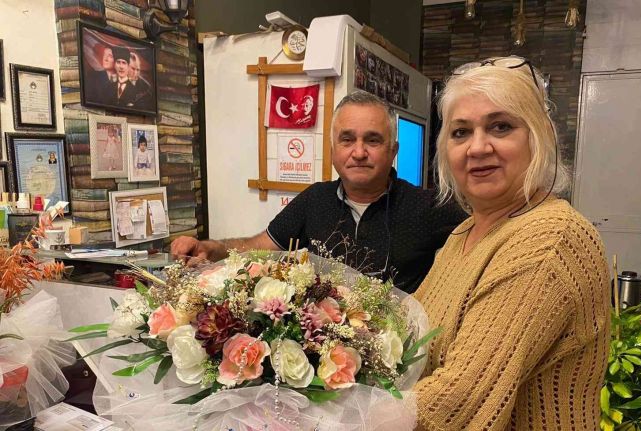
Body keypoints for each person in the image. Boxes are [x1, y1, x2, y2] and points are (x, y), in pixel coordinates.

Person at [412, 57, 610, 430]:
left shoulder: (550, 237)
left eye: (500, 126)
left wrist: (341, 416)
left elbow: (457, 402)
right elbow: (411, 336)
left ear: (538, 136)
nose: (477, 147)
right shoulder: (464, 233)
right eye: (460, 132)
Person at [170, 91, 467, 293]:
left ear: (393, 151)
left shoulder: (429, 206)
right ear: (333, 150)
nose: (359, 152)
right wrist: (211, 249)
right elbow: (258, 246)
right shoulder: (314, 199)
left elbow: (485, 238)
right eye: (347, 140)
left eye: (373, 140)